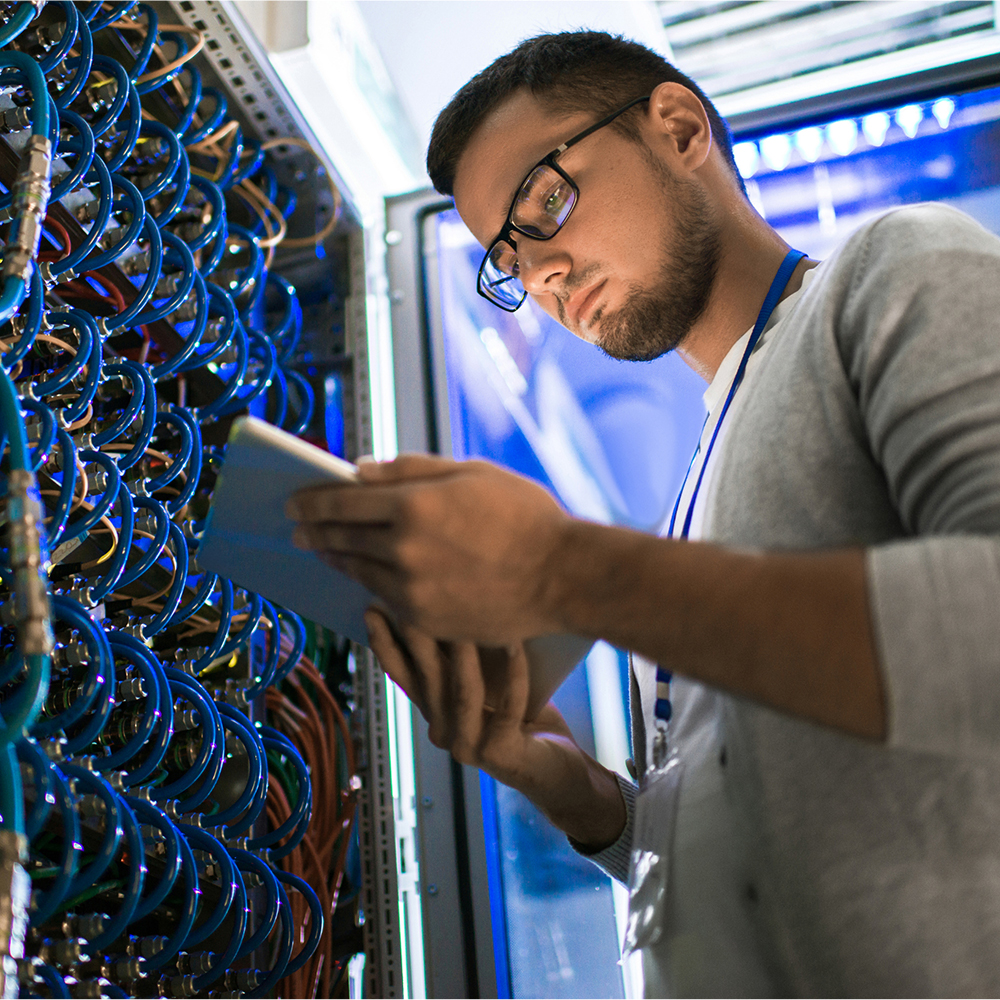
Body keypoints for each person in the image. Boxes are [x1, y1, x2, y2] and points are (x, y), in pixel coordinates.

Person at [287, 30, 1000, 998]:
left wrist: (560, 568)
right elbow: (755, 828)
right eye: (505, 254)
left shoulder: (892, 267)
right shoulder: (693, 485)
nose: (535, 272)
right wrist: (579, 795)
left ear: (676, 128)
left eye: (543, 198)